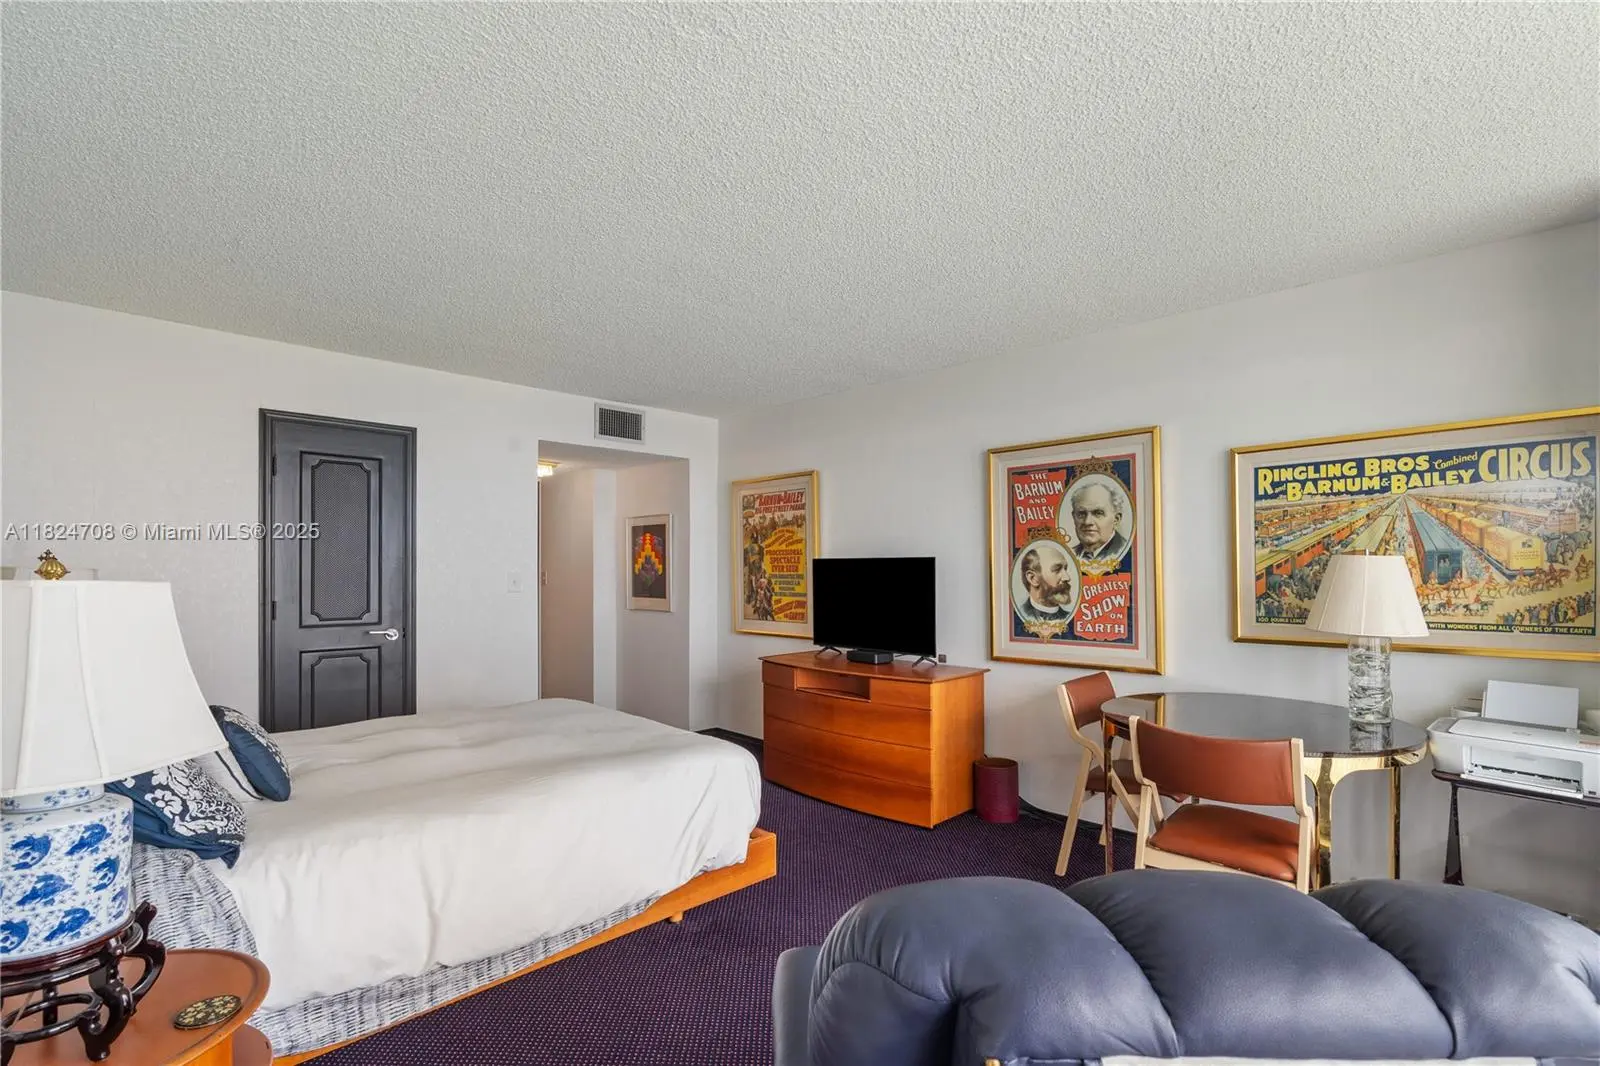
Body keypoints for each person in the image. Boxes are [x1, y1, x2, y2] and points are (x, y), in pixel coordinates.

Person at [1015, 542, 1076, 625]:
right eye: (1057, 569)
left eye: (1065, 569)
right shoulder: (1017, 618)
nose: (1067, 578)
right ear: (1033, 578)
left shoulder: (1070, 618)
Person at [1070, 481, 1130, 562]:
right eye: (1081, 514)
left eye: (1098, 513)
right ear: (1074, 517)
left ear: (1116, 519)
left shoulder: (1128, 553)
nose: (1087, 522)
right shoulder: (1069, 554)